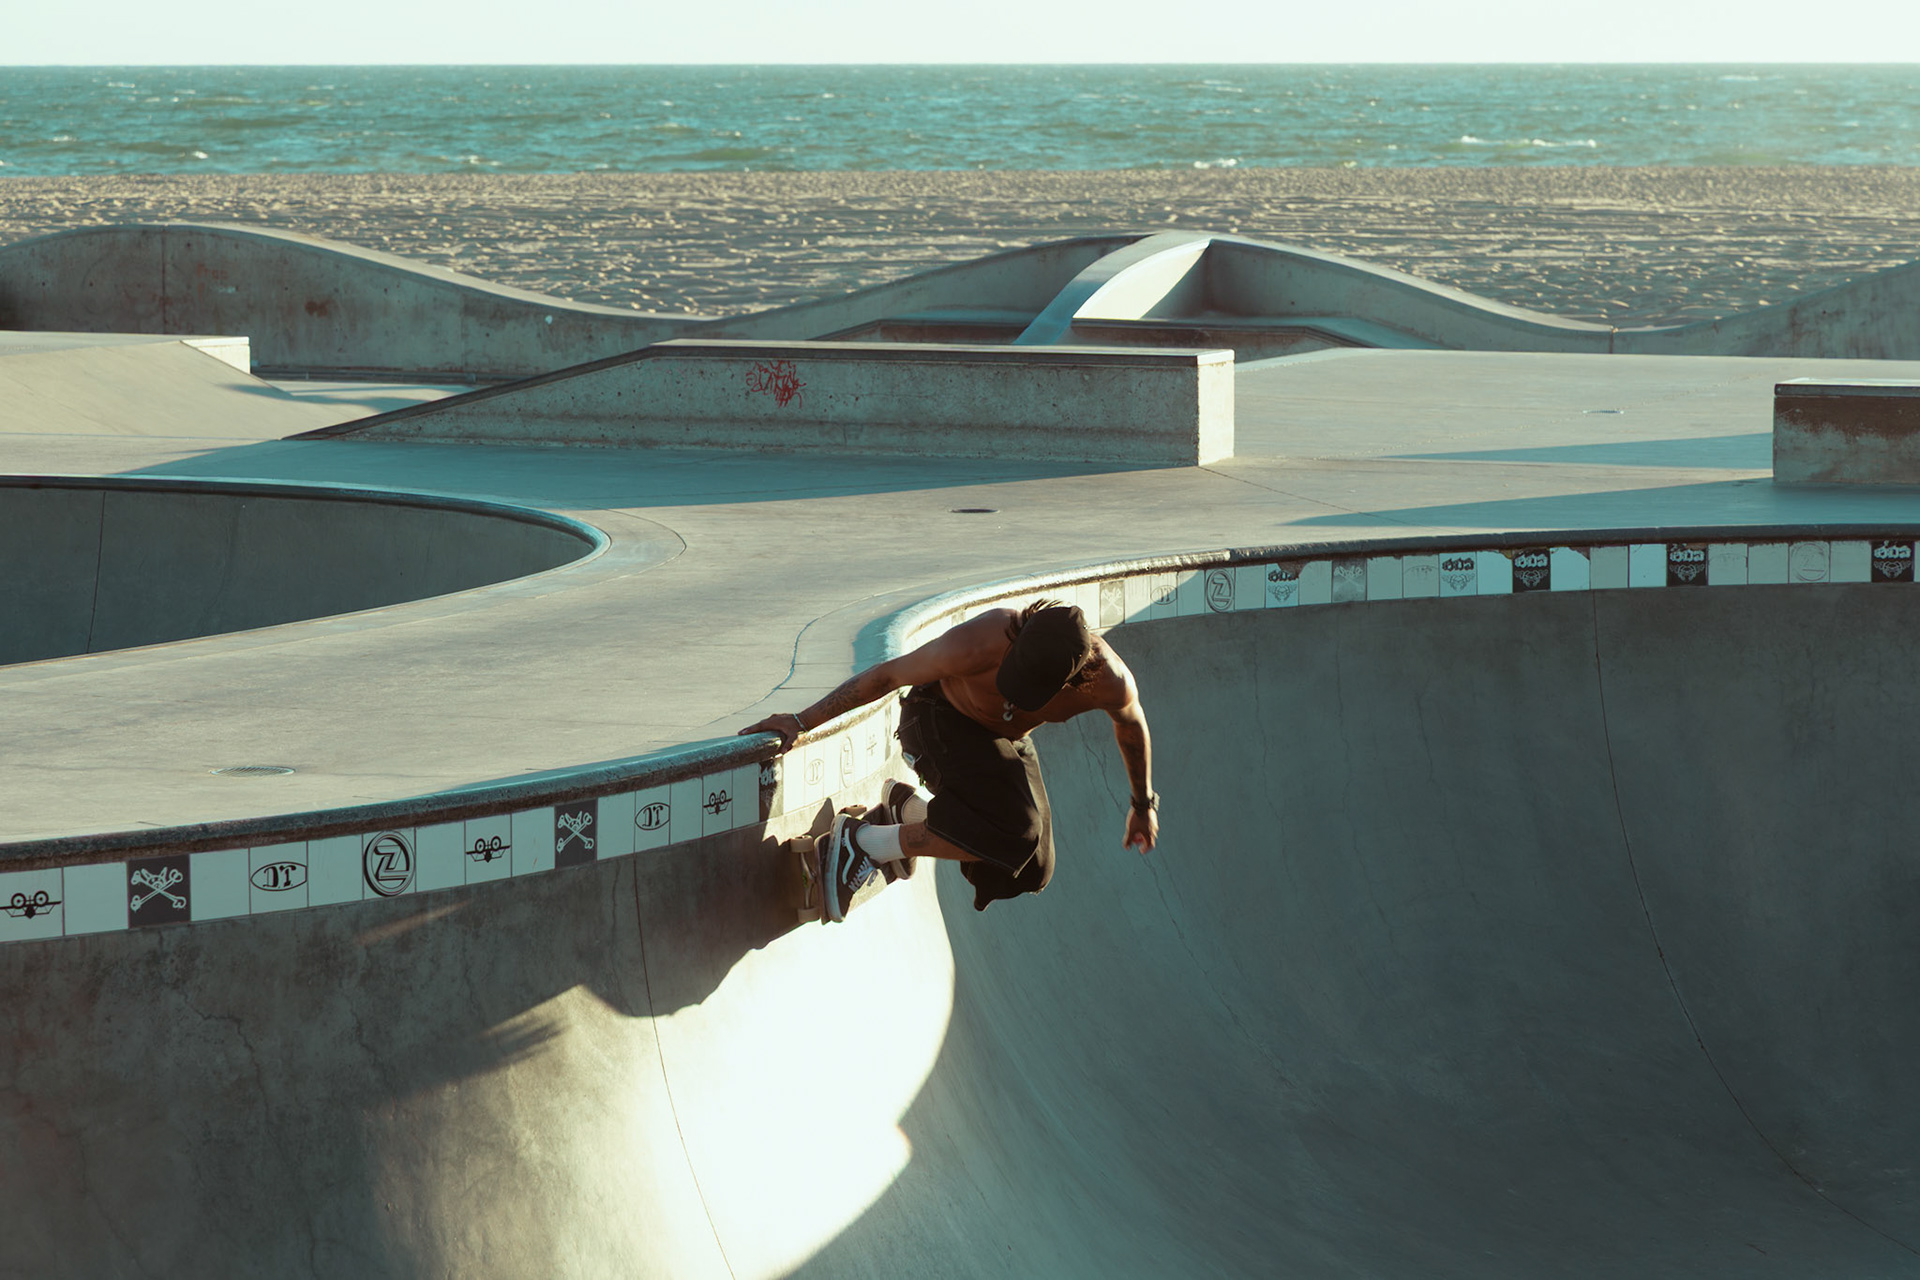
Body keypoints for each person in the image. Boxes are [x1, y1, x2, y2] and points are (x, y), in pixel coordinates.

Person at [740, 599, 1158, 921]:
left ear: (1075, 678)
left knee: (1031, 870)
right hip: (936, 720)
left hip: (1003, 741)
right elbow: (887, 676)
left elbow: (1131, 728)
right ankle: (862, 842)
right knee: (1019, 833)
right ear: (1019, 636)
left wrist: (1142, 805)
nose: (1011, 697)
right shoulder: (982, 641)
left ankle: (907, 813)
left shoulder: (1109, 683)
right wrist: (802, 720)